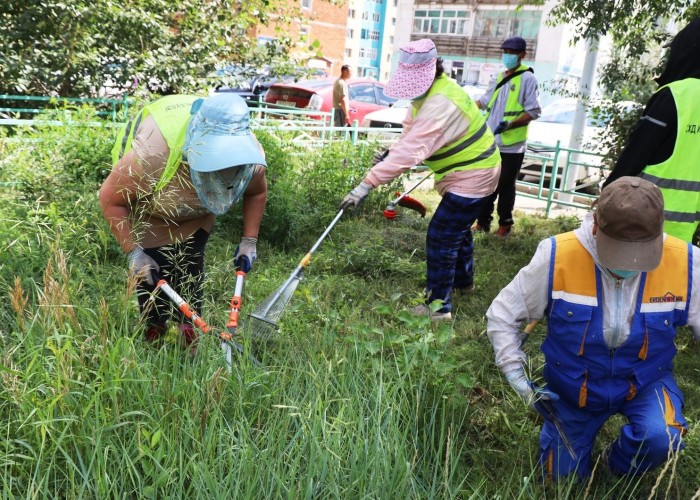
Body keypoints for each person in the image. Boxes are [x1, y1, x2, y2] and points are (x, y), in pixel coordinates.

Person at [487, 176, 700, 480]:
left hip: (647, 381)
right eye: (620, 252)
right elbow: (502, 314)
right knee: (561, 482)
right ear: (596, 225)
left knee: (662, 436)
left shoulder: (687, 261)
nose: (631, 264)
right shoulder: (557, 255)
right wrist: (516, 375)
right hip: (574, 388)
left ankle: (616, 464)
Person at [340, 39, 501, 321]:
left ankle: (438, 307)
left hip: (475, 173)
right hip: (473, 170)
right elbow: (410, 137)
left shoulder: (441, 101)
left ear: (431, 73)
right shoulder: (427, 95)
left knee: (442, 235)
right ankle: (465, 284)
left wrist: (366, 184)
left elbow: (414, 150)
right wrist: (391, 153)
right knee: (458, 229)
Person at [99, 93, 267, 349]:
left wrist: (249, 241)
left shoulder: (249, 159)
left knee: (190, 264)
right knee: (152, 275)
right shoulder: (152, 156)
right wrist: (134, 253)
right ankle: (154, 336)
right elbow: (111, 200)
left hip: (195, 214)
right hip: (151, 211)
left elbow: (257, 192)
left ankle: (188, 339)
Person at [602, 19, 700, 243]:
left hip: (645, 219)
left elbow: (636, 154)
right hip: (687, 227)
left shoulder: (675, 95)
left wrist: (606, 197)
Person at [474, 36, 541, 238]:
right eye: (505, 52)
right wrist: (464, 107)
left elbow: (534, 111)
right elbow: (484, 102)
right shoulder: (498, 76)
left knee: (505, 185)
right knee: (486, 182)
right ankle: (483, 222)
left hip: (512, 145)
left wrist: (510, 124)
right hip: (490, 140)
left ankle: (505, 224)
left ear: (522, 54)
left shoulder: (528, 79)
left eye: (512, 53)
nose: (508, 56)